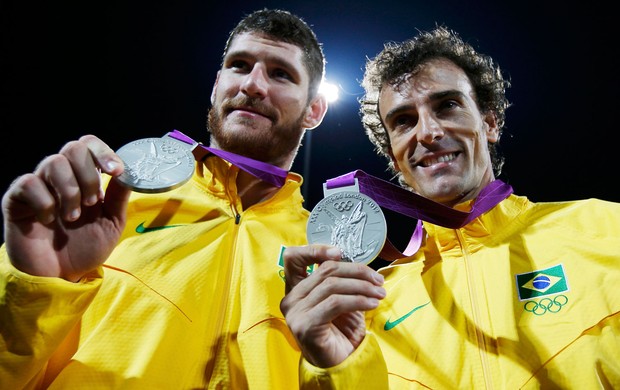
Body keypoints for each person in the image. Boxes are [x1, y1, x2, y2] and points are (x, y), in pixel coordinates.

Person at [0, 8, 328, 389]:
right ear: (217, 84)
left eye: (281, 74)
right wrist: (33, 284)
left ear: (314, 110)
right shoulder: (104, 201)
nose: (253, 85)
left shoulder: (323, 256)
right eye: (240, 66)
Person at [280, 25, 620, 389]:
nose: (427, 132)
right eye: (404, 121)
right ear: (394, 158)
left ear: (489, 122)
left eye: (447, 105)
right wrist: (335, 370)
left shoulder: (604, 229)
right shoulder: (370, 305)